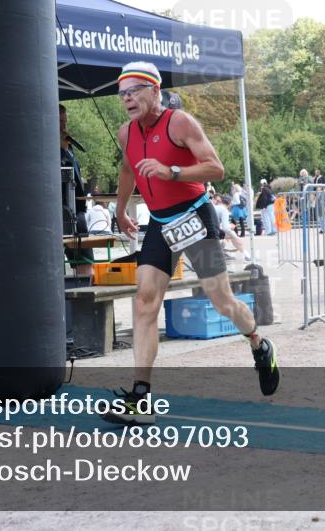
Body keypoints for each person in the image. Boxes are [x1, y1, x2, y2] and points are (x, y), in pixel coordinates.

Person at [106, 61, 279, 425]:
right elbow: (127, 169)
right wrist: (120, 210)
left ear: (155, 90)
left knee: (221, 301)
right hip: (159, 222)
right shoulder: (126, 133)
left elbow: (216, 168)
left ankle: (259, 344)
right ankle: (141, 396)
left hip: (194, 216)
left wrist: (173, 172)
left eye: (135, 90)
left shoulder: (180, 123)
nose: (127, 98)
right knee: (144, 300)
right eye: (122, 93)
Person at [60, 104, 93, 276]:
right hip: (59, 211)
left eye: (65, 121)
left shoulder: (68, 146)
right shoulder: (49, 148)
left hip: (77, 209)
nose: (64, 127)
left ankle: (86, 295)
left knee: (85, 259)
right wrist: (62, 151)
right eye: (59, 122)